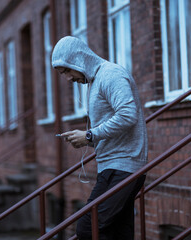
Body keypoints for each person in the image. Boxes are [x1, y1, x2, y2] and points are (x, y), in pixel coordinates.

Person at [52, 36, 148, 240]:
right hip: (112, 166)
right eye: (63, 74)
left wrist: (89, 135)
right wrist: (89, 139)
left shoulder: (110, 74)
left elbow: (128, 114)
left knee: (88, 227)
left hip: (124, 167)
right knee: (119, 232)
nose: (68, 78)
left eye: (67, 70)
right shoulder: (94, 82)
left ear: (78, 59)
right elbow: (115, 122)